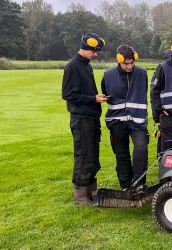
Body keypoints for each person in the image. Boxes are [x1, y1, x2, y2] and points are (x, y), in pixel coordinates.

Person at [62, 32, 107, 205]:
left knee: (93, 155)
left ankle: (91, 191)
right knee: (83, 155)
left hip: (91, 118)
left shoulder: (86, 65)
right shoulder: (72, 66)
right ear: (85, 48)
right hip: (81, 120)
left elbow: (86, 91)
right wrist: (92, 99)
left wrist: (97, 96)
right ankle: (81, 196)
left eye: (97, 51)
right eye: (94, 51)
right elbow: (68, 94)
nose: (96, 54)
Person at [101, 45, 149, 191]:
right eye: (126, 63)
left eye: (131, 63)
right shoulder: (108, 75)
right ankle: (126, 186)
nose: (129, 66)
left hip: (137, 120)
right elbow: (105, 92)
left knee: (141, 148)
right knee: (122, 154)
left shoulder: (142, 73)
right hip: (116, 121)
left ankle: (139, 183)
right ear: (119, 61)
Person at [150, 49, 172, 157]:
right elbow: (153, 94)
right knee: (162, 136)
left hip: (171, 113)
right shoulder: (161, 71)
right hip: (161, 112)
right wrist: (156, 116)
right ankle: (160, 158)